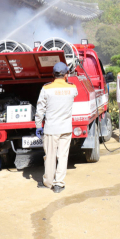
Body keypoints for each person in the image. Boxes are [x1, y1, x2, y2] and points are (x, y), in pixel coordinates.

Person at [35, 62, 78, 193]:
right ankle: (59, 184)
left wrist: (38, 125)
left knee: (50, 156)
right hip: (66, 129)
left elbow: (40, 109)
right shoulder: (72, 88)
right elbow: (74, 93)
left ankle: (48, 182)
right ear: (66, 74)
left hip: (51, 129)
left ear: (53, 74)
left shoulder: (46, 89)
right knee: (63, 156)